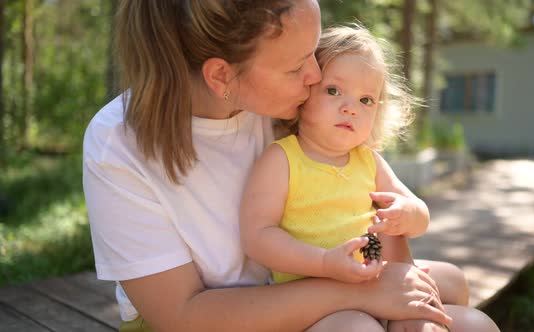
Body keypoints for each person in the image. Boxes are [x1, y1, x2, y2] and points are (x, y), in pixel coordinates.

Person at [82, 1, 499, 331]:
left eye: (314, 54)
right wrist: (363, 294)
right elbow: (183, 317)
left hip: (333, 293)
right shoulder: (117, 143)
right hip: (219, 323)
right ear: (221, 77)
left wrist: (392, 273)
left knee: (467, 312)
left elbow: (365, 200)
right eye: (298, 64)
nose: (316, 76)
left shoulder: (296, 107)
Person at [240, 25, 497, 332]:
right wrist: (324, 262)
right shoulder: (282, 158)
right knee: (359, 328)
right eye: (333, 90)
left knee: (456, 284)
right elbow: (257, 236)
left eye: (366, 100)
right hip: (321, 300)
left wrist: (406, 213)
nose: (350, 108)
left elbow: (420, 215)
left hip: (381, 280)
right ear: (304, 94)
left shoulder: (368, 161)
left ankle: (405, 321)